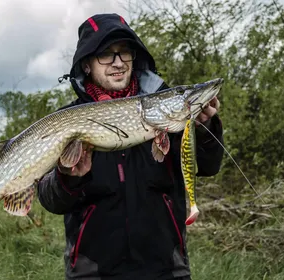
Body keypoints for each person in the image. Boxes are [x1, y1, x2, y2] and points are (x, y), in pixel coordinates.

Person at [37, 13, 224, 280]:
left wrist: (205, 128)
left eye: (124, 53)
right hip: (93, 273)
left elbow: (208, 166)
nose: (118, 62)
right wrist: (67, 177)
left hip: (166, 270)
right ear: (87, 65)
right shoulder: (68, 120)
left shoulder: (166, 113)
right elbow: (49, 199)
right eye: (106, 54)